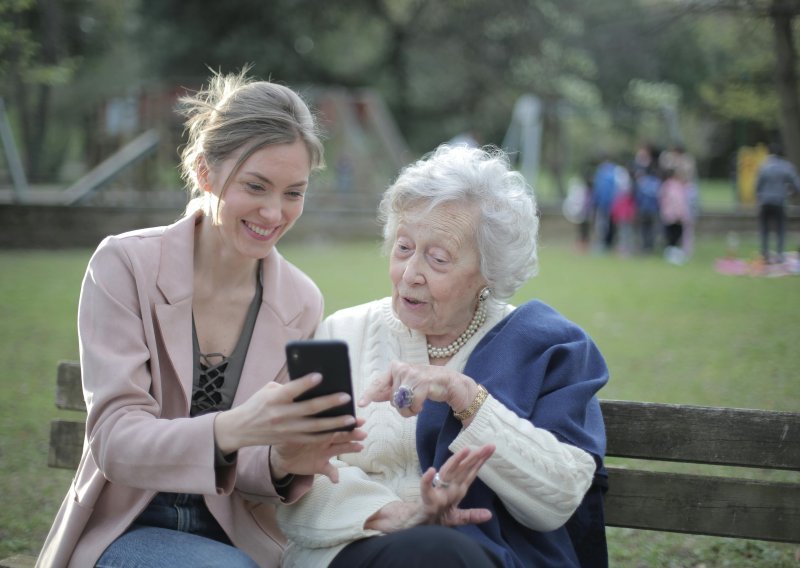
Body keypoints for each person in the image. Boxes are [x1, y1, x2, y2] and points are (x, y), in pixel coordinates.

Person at [37, 70, 366, 568]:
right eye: (255, 186)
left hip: (242, 538)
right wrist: (232, 427)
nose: (274, 213)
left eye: (294, 193)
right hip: (128, 527)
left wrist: (282, 459)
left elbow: (254, 464)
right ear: (204, 171)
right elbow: (115, 440)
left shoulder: (300, 299)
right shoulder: (124, 265)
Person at [277, 144, 610, 567]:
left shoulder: (547, 348)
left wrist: (467, 397)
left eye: (438, 259)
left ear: (489, 272)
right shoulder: (342, 333)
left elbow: (560, 497)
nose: (410, 273)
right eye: (403, 248)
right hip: (351, 550)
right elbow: (296, 475)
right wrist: (397, 514)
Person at [755, 141, 800, 263]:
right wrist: (791, 194)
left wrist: (760, 198)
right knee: (780, 229)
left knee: (765, 229)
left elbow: (757, 186)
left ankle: (765, 254)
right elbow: (796, 185)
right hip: (779, 202)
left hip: (765, 202)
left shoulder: (763, 166)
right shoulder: (786, 167)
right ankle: (780, 255)